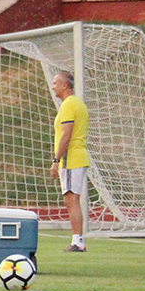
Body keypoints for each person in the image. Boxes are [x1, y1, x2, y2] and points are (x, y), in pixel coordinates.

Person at [50, 71, 89, 252]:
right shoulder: (78, 103)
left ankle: (78, 241)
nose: (53, 87)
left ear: (65, 85)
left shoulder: (68, 105)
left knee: (71, 200)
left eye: (55, 83)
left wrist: (56, 160)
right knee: (72, 199)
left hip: (71, 159)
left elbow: (66, 135)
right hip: (77, 156)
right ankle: (77, 240)